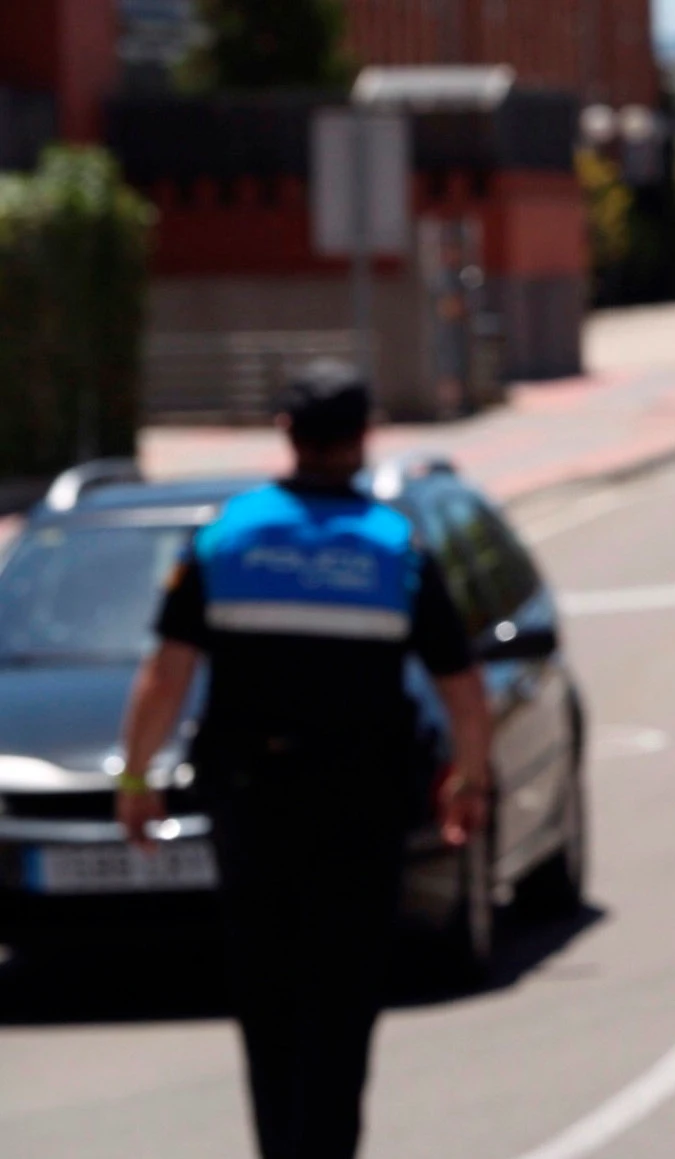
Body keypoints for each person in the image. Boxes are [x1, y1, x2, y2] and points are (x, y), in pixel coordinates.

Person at [116, 360, 492, 1159]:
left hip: (254, 805)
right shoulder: (398, 548)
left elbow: (166, 676)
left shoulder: (228, 537)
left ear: (287, 434)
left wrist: (136, 777)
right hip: (360, 811)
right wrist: (468, 781)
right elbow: (461, 689)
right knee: (343, 997)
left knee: (268, 993)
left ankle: (282, 1147)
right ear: (363, 438)